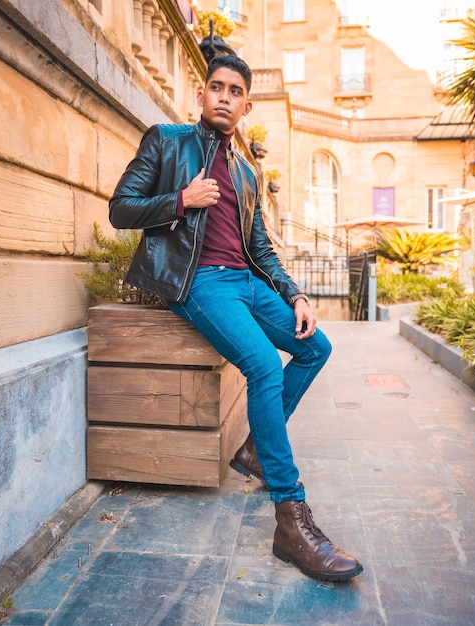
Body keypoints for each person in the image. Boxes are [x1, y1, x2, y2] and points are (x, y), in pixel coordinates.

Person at [109, 54, 363, 582]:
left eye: (234, 91)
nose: (224, 96)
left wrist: (294, 295)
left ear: (246, 105)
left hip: (247, 282)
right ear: (202, 95)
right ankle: (291, 521)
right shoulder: (166, 140)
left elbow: (261, 248)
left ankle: (253, 451)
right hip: (198, 282)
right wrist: (180, 199)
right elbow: (120, 208)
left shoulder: (247, 172)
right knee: (266, 367)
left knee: (316, 347)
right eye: (215, 87)